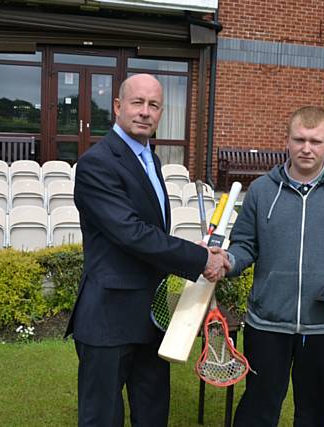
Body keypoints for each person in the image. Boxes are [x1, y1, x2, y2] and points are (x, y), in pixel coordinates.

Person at [65, 73, 230, 427]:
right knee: (102, 418)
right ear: (118, 107)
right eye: (137, 102)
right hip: (108, 318)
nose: (145, 112)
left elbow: (152, 232)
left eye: (153, 105)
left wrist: (195, 251)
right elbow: (132, 233)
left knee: (153, 412)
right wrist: (200, 259)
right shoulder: (97, 163)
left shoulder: (149, 158)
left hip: (152, 314)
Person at [225, 106, 324, 426]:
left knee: (315, 412)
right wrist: (227, 261)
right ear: (287, 140)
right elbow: (244, 245)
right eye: (299, 139)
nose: (306, 148)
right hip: (267, 325)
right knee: (258, 409)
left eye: (315, 140)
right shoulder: (261, 190)